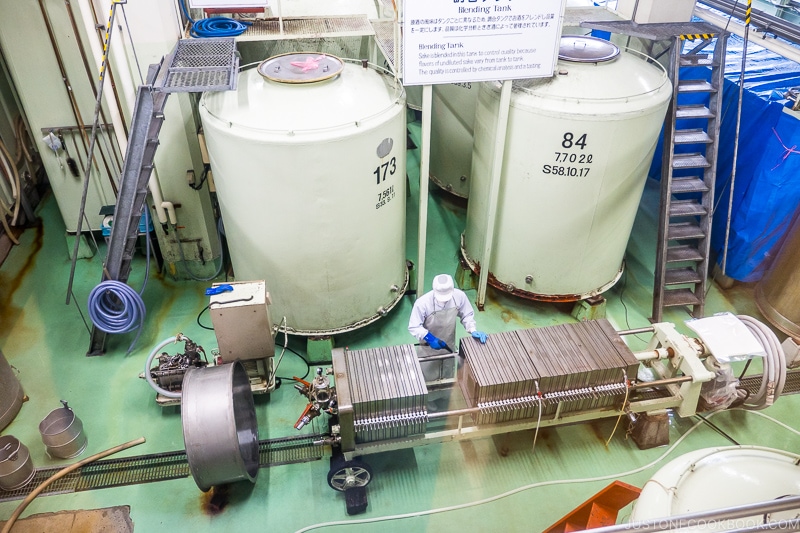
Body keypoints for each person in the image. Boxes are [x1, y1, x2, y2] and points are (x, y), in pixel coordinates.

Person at [408, 274, 488, 359]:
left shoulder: (459, 296)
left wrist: (472, 329)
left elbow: (467, 315)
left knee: (448, 369)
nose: (444, 300)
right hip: (428, 350)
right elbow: (414, 327)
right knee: (426, 371)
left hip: (449, 345)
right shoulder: (422, 303)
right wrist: (430, 338)